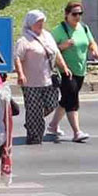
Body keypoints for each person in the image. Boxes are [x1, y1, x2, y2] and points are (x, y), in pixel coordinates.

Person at [15, 10, 72, 146]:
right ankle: (34, 137)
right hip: (31, 83)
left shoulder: (47, 36)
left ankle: (32, 121)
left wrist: (64, 67)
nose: (40, 24)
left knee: (52, 104)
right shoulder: (24, 40)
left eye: (42, 21)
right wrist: (21, 74)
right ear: (30, 23)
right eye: (37, 22)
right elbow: (17, 58)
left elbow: (56, 53)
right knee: (34, 110)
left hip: (48, 79)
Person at [47, 1, 98, 143]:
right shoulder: (59, 30)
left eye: (80, 14)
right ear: (67, 14)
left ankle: (53, 125)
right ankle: (77, 132)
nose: (77, 17)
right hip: (65, 70)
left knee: (66, 99)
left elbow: (91, 42)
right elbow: (49, 50)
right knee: (72, 100)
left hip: (80, 70)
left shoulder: (83, 28)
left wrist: (94, 50)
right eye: (74, 14)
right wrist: (62, 46)